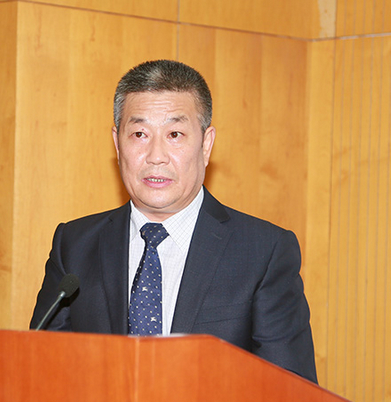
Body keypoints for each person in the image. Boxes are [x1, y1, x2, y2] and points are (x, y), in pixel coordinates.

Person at [30, 59, 317, 383]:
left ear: (206, 144)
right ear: (117, 143)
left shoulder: (263, 252)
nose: (156, 156)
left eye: (175, 134)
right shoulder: (74, 245)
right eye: (139, 134)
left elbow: (292, 393)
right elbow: (41, 374)